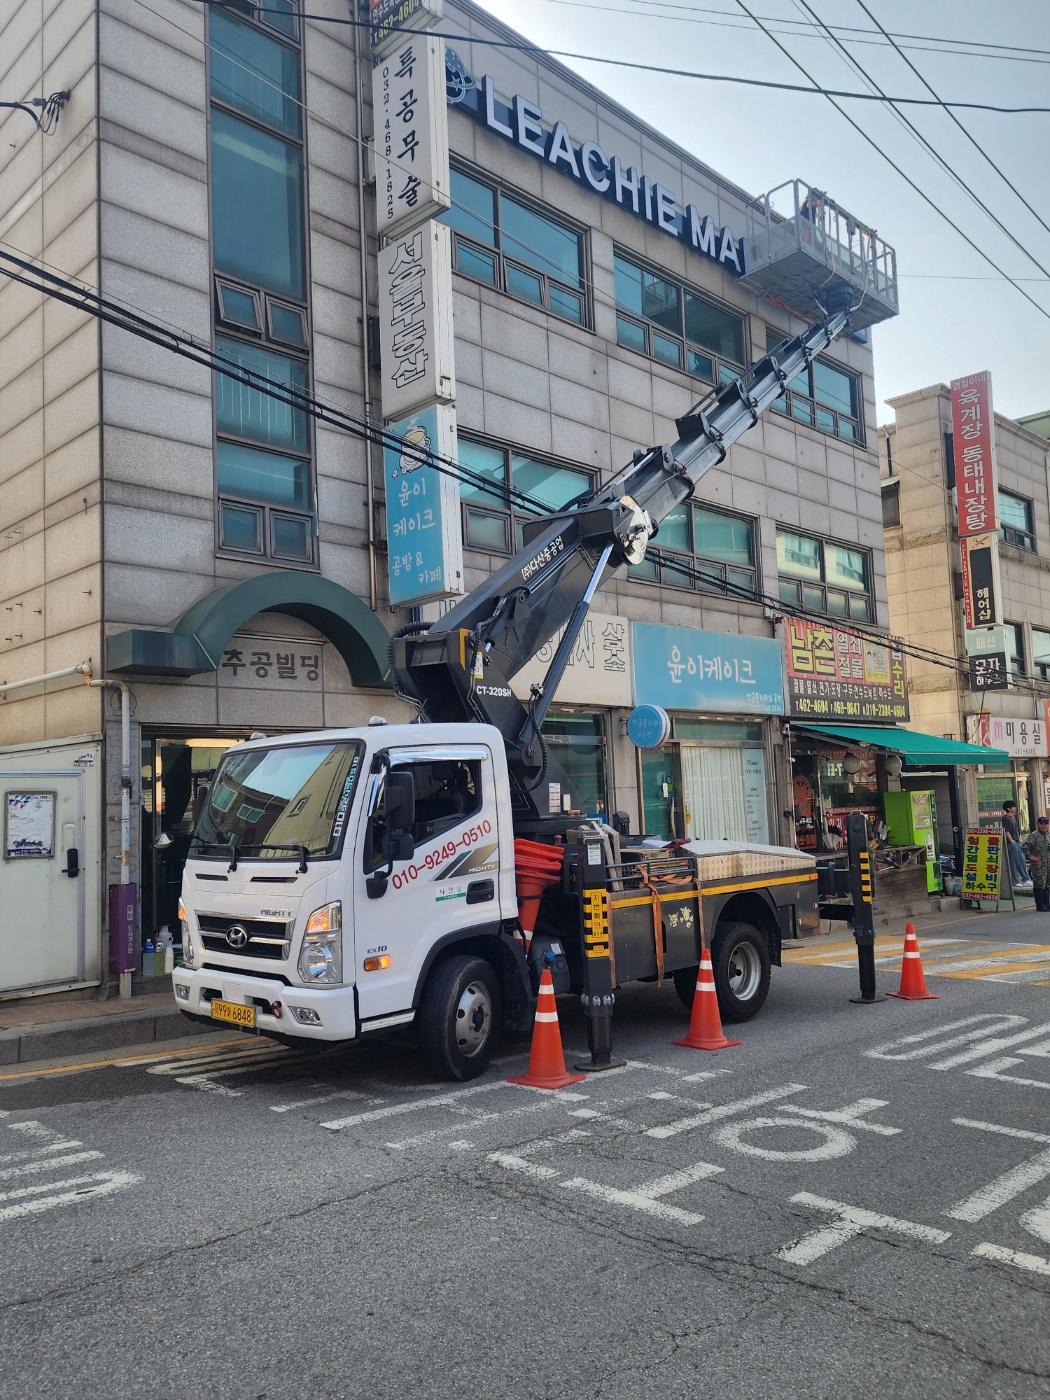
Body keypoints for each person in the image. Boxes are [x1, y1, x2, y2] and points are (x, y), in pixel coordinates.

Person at [1001, 801, 1032, 890]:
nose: (1015, 808)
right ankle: (1015, 881)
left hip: (1017, 841)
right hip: (1012, 843)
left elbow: (1016, 830)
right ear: (1008, 809)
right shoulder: (1005, 818)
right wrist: (1012, 842)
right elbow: (1006, 831)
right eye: (1013, 807)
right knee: (1014, 862)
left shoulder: (1013, 817)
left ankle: (1026, 879)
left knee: (1022, 860)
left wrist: (1019, 840)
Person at [1022, 816, 1050, 911]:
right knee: (1039, 884)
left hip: (1048, 864)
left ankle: (1046, 904)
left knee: (1047, 884)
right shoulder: (1034, 835)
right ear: (1038, 824)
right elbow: (1024, 847)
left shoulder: (1048, 835)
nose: (1043, 826)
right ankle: (1040, 905)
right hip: (1038, 865)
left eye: (1045, 824)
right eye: (1041, 824)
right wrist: (1030, 857)